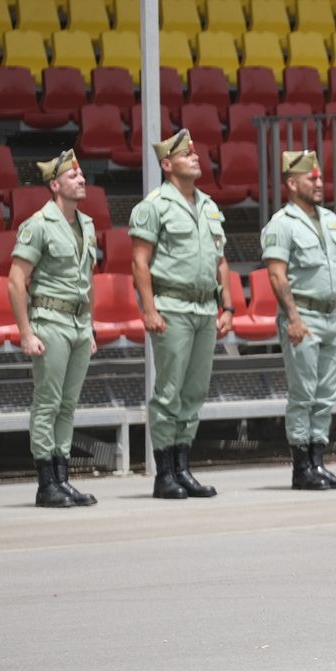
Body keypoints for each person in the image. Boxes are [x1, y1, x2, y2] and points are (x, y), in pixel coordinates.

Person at [129, 130, 232, 500]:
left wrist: (228, 305)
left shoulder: (208, 205)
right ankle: (164, 473)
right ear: (167, 164)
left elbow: (221, 261)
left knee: (195, 391)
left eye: (195, 152)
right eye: (186, 154)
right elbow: (140, 262)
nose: (195, 157)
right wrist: (149, 309)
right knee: (169, 391)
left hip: (205, 307)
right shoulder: (154, 206)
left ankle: (183, 467)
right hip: (172, 306)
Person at [261, 150, 336, 491]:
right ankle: (301, 467)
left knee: (326, 392)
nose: (319, 183)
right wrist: (293, 318)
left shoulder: (330, 220)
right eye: (311, 178)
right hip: (303, 315)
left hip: (331, 316)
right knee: (303, 393)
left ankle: (318, 461)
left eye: (320, 177)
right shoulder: (282, 224)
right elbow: (276, 274)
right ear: (291, 183)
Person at [8, 150, 98, 508]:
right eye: (73, 176)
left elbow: (88, 279)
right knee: (48, 403)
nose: (82, 180)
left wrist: (90, 325)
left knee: (68, 404)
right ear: (55, 185)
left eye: (82, 175)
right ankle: (46, 482)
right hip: (51, 319)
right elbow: (16, 281)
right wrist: (26, 332)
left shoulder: (86, 224)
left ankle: (62, 477)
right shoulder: (39, 224)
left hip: (78, 322)